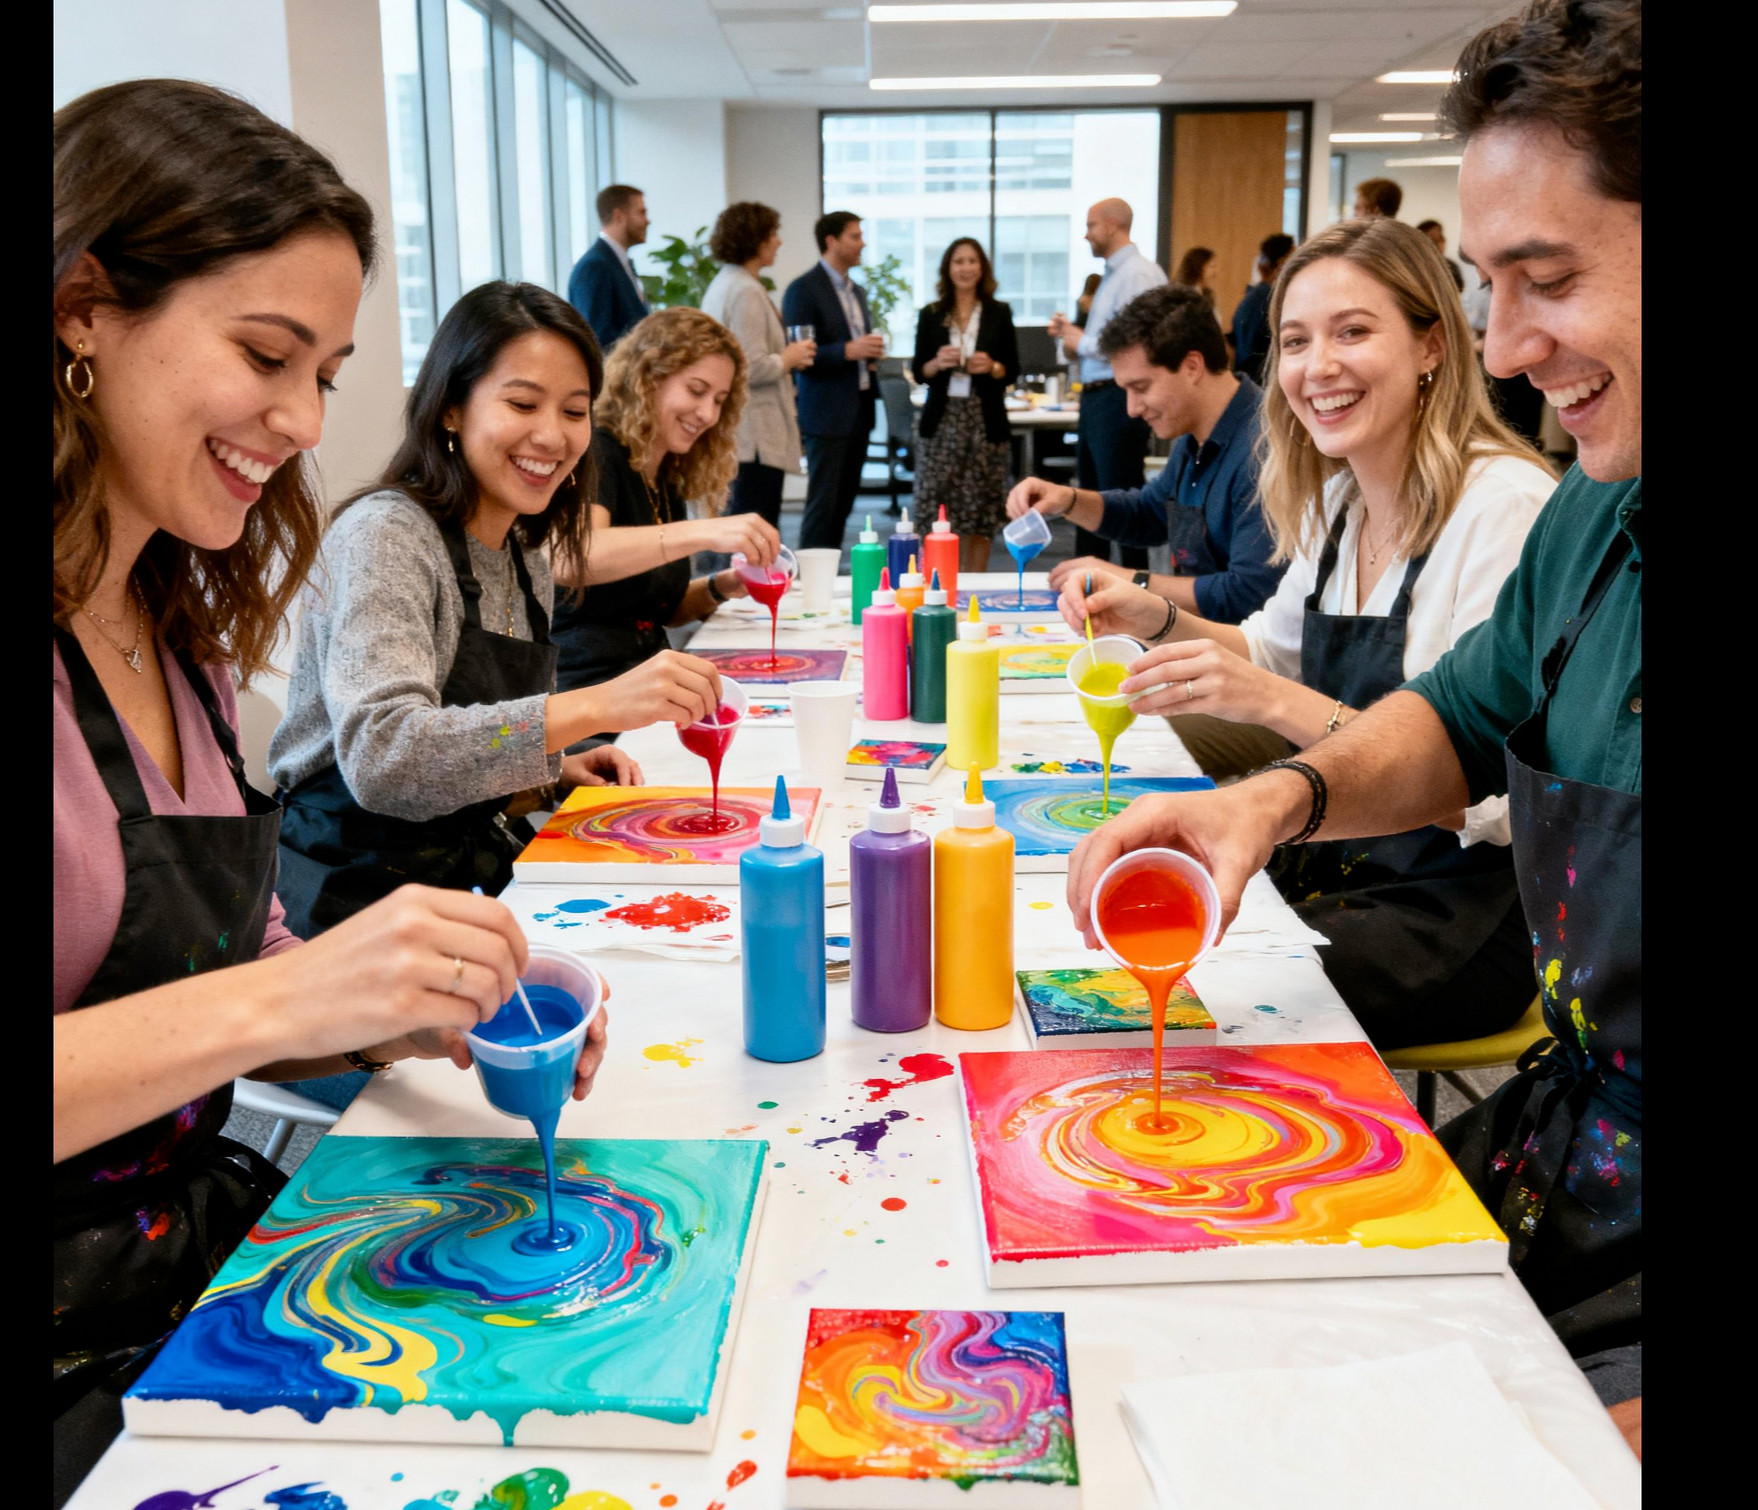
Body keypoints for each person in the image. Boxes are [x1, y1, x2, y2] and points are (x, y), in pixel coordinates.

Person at [1067, 0, 1642, 1376]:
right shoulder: (1588, 517)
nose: (1507, 347)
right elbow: (1450, 719)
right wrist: (1266, 808)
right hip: (1576, 1144)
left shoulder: (1514, 500)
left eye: (1546, 279)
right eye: (1487, 284)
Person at [53, 81, 604, 1497]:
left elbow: (245, 959)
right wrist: (296, 998)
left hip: (195, 1292)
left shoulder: (166, 626)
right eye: (265, 354)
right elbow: (263, 980)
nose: (302, 420)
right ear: (79, 313)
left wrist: (412, 1009)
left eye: (329, 374)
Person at [1062, 218, 1555, 1049]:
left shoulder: (1503, 509)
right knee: (1128, 925)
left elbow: (1494, 805)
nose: (1316, 366)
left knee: (1186, 1004)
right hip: (1337, 850)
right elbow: (1269, 650)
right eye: (1294, 340)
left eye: (1353, 332)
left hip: (1456, 906)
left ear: (1432, 343)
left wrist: (1272, 702)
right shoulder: (1339, 501)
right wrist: (1155, 613)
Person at [271, 284, 729, 938]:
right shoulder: (387, 536)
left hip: (459, 879)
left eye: (574, 411)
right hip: (353, 903)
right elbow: (386, 757)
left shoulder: (522, 552)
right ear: (452, 408)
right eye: (521, 403)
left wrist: (553, 770)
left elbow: (471, 738)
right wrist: (594, 708)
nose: (552, 434)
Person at [1007, 284, 1285, 776]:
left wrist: (1129, 583)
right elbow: (1151, 513)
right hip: (1197, 657)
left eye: (1141, 388)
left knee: (1096, 729)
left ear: (1193, 366)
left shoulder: (1264, 449)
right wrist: (1067, 499)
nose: (1133, 409)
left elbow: (1247, 594)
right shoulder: (1198, 434)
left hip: (1252, 681)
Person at [550, 307, 782, 692]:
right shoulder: (598, 453)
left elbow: (662, 609)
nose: (708, 413)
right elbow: (574, 557)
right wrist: (704, 532)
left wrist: (724, 584)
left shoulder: (663, 473)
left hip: (647, 682)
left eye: (720, 400)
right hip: (588, 691)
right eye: (696, 390)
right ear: (648, 378)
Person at [1046, 197, 1167, 569]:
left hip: (1118, 399)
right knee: (1091, 499)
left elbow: (1135, 344)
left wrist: (1079, 341)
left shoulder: (1139, 275)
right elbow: (1107, 340)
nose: (1086, 235)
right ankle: (1086, 583)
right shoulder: (1115, 277)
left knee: (1122, 500)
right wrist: (1071, 338)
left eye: (1091, 226)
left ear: (1113, 225)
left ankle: (1137, 594)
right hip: (1099, 398)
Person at [701, 202, 814, 532]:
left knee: (741, 525)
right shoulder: (745, 290)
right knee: (756, 529)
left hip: (742, 433)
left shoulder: (727, 282)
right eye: (773, 234)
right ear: (755, 239)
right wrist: (789, 358)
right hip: (754, 437)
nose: (779, 242)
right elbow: (749, 366)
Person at [911, 237, 1020, 571]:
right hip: (942, 419)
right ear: (948, 268)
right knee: (935, 506)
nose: (965, 268)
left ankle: (976, 582)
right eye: (958, 261)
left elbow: (1012, 369)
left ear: (982, 268)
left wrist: (993, 367)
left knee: (981, 509)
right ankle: (935, 585)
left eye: (972, 261)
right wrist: (936, 364)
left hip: (984, 419)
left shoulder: (998, 312)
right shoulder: (931, 314)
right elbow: (919, 371)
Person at [783, 211, 886, 551]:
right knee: (823, 506)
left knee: (842, 506)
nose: (863, 243)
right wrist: (848, 350)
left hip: (859, 410)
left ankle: (827, 573)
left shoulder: (856, 291)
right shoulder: (803, 289)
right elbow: (799, 356)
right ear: (832, 241)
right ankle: (808, 578)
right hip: (826, 414)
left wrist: (867, 355)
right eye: (855, 236)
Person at [566, 184, 651, 353]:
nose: (647, 221)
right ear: (619, 216)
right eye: (641, 212)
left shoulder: (619, 262)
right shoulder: (594, 266)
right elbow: (596, 338)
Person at [1230, 232, 1295, 385]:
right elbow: (1249, 354)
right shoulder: (1262, 300)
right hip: (1258, 386)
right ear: (1282, 262)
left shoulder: (1262, 295)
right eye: (1293, 257)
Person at [1417, 218, 1467, 292]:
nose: (1439, 243)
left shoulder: (1451, 267)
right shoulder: (1412, 266)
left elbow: (1458, 290)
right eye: (1432, 240)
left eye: (1440, 238)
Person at [1172, 246, 1219, 314]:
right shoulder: (1181, 297)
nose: (1215, 272)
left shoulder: (1206, 296)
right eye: (1212, 266)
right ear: (1199, 268)